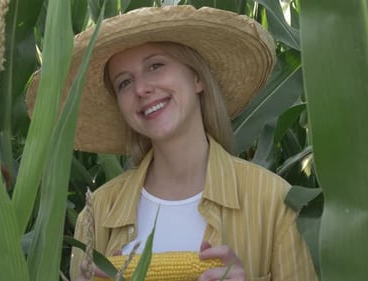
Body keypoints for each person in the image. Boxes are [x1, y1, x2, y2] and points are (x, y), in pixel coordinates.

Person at [28, 5, 317, 281]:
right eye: (124, 83)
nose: (141, 89)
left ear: (196, 78)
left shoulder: (275, 203)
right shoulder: (96, 215)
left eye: (155, 66)